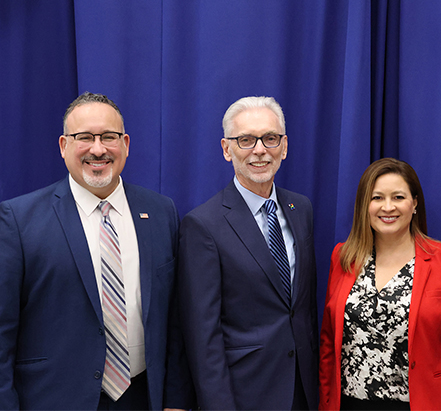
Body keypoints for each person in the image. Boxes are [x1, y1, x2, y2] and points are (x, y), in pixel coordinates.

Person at [0, 92, 193, 410]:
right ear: (64, 146)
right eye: (84, 137)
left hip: (143, 398)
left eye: (109, 137)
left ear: (126, 144)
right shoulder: (18, 221)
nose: (98, 148)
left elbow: (174, 319)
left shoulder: (161, 213)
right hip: (55, 401)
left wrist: (175, 401)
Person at [178, 96, 319, 410]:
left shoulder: (301, 209)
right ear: (227, 149)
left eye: (270, 139)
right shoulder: (203, 225)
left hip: (302, 391)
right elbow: (203, 336)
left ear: (284, 146)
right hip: (244, 395)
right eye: (246, 140)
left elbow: (304, 309)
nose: (260, 150)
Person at [319, 158, 441, 411]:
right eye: (377, 198)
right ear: (364, 206)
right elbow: (328, 344)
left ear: (414, 203)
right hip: (350, 404)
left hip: (421, 404)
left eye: (398, 197)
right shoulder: (343, 257)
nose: (388, 207)